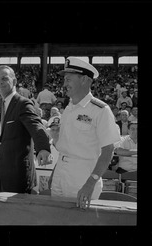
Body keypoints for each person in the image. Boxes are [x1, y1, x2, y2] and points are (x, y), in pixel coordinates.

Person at [49, 57, 121, 209]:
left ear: (84, 80)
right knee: (55, 218)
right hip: (60, 173)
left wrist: (90, 183)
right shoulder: (69, 108)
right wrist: (55, 173)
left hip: (82, 177)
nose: (64, 84)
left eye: (68, 79)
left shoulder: (100, 110)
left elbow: (108, 150)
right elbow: (65, 147)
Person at [0, 65, 52, 194]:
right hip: (4, 173)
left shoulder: (22, 103)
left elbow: (36, 126)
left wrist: (43, 148)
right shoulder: (3, 103)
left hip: (19, 175)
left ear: (14, 81)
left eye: (4, 78)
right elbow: (3, 135)